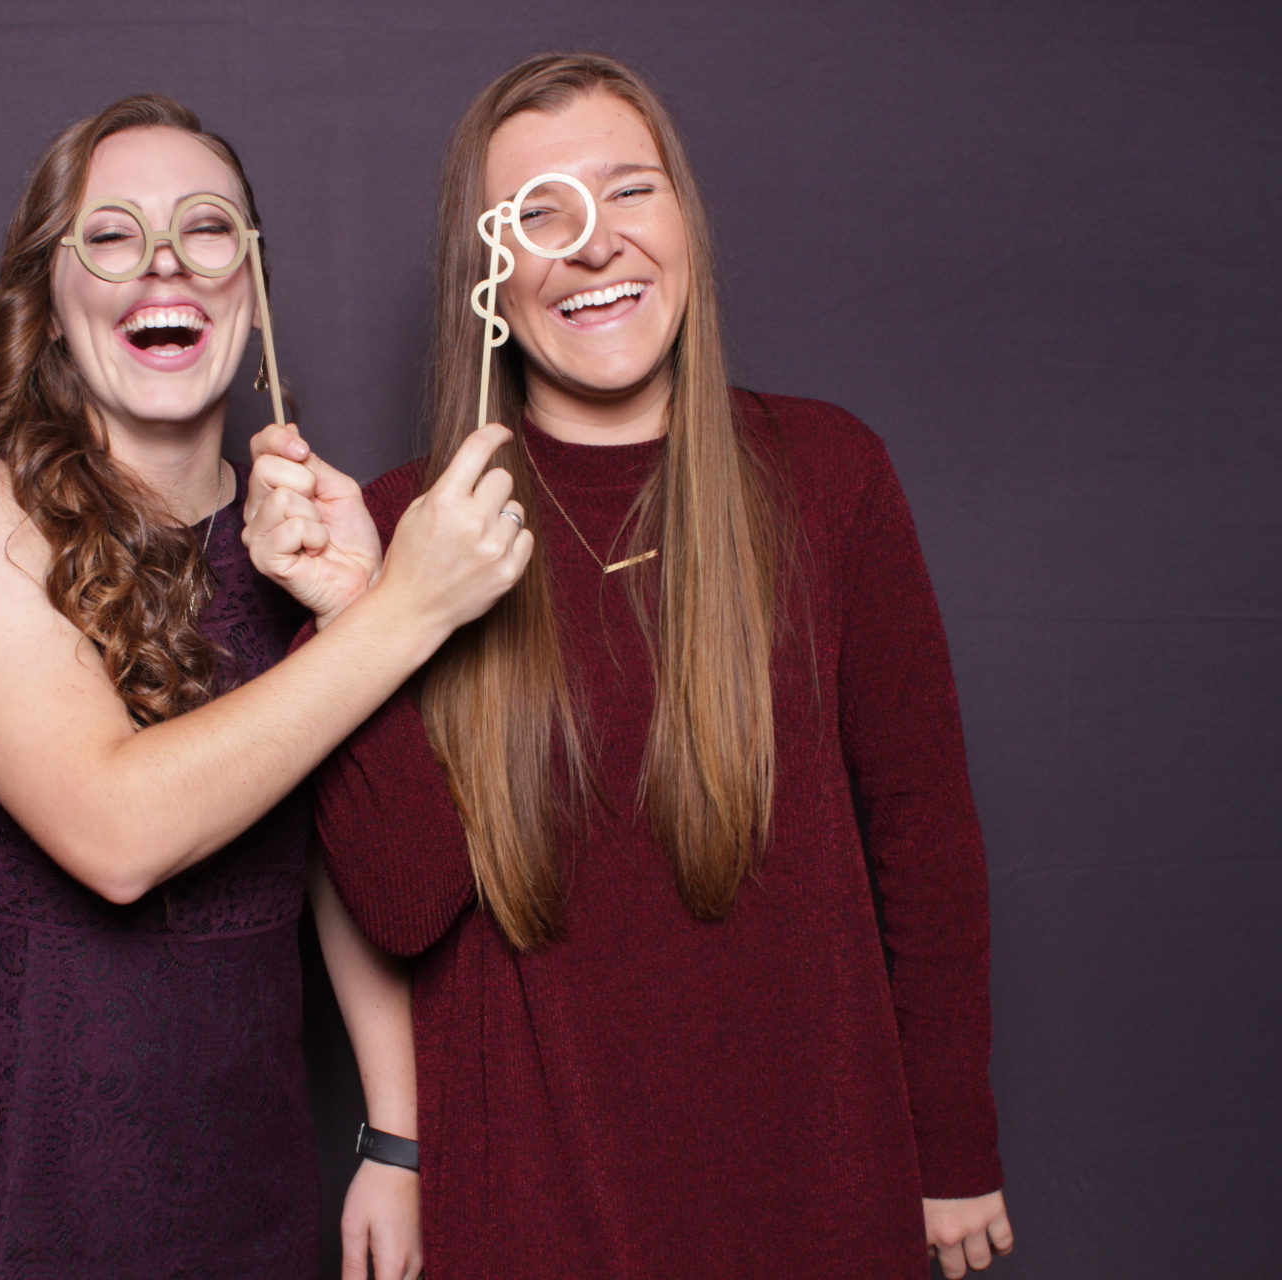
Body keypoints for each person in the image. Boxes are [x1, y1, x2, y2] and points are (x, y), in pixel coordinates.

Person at [244, 53, 1014, 1280]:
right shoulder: (406, 525)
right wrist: (353, 606)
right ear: (488, 276)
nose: (593, 244)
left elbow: (923, 831)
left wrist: (954, 1139)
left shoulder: (829, 476)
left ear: (687, 222)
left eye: (629, 191)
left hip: (818, 1185)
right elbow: (400, 898)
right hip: (532, 1208)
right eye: (538, 213)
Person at [0, 94, 528, 1279]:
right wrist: (403, 609)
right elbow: (118, 828)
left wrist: (399, 1139)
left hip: (243, 1191)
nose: (164, 263)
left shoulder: (290, 543)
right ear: (49, 299)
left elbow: (333, 856)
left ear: (250, 284)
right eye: (110, 235)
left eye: (207, 229)